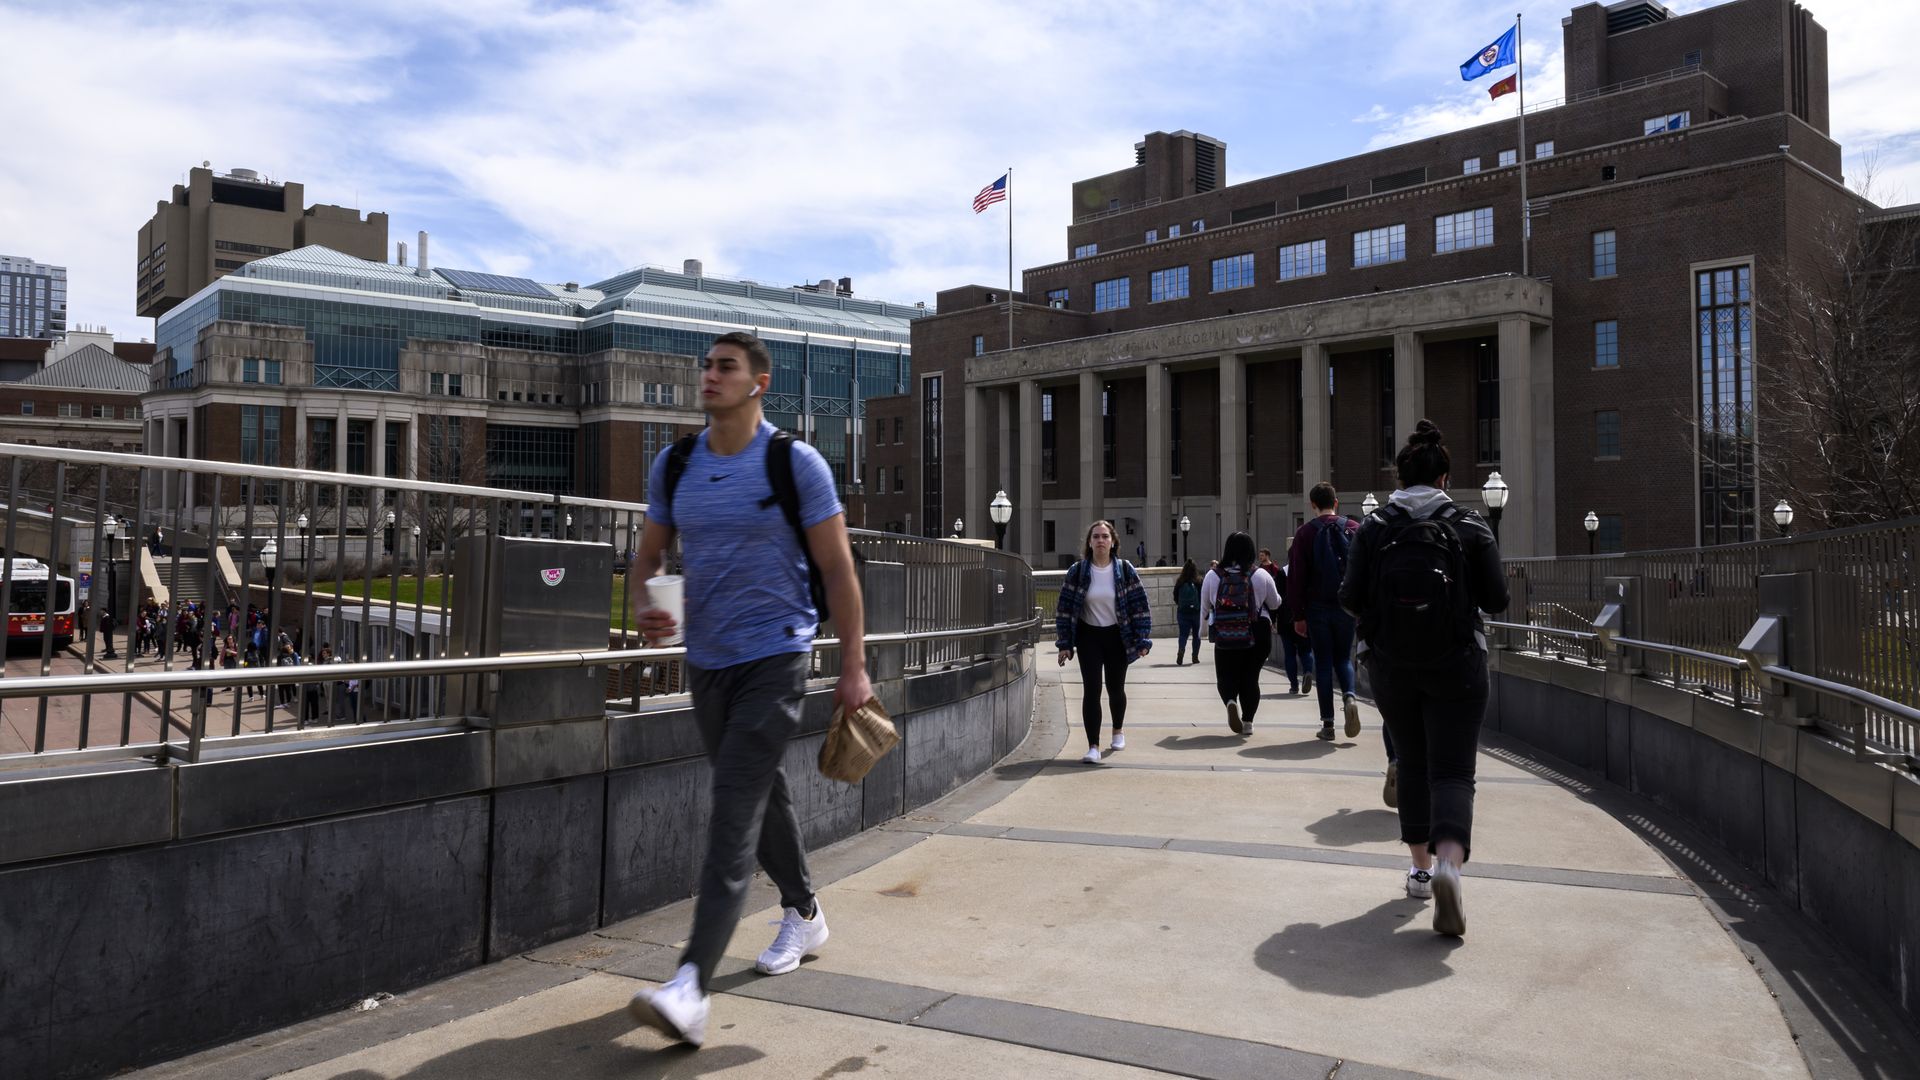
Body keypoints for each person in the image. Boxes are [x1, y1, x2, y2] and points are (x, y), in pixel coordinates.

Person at [626, 331, 869, 1048]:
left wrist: (852, 667)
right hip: (707, 662)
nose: (709, 375)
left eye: (725, 367)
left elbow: (839, 571)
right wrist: (648, 604)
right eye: (705, 364)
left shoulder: (794, 463)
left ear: (758, 382)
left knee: (732, 811)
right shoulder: (676, 465)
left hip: (777, 656)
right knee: (761, 798)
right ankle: (805, 910)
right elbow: (646, 557)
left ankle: (690, 986)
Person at [1341, 420, 1508, 937]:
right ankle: (1450, 866)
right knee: (1454, 772)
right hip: (1457, 662)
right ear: (1444, 478)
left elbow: (1349, 597)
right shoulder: (1470, 523)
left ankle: (1419, 870)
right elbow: (1497, 599)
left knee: (1411, 763)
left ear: (1399, 477)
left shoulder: (1374, 527)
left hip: (1392, 666)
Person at [1053, 520, 1152, 763]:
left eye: (1105, 536)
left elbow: (1139, 605)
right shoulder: (1077, 572)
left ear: (1113, 541)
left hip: (1118, 636)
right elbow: (1064, 609)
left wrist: (1142, 639)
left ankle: (1117, 730)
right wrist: (1065, 643)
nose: (1100, 541)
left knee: (1115, 688)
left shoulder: (1124, 569)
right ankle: (1093, 746)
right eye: (1096, 536)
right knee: (1092, 690)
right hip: (1089, 637)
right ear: (1089, 542)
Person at [1287, 483, 1361, 742]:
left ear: (1312, 505)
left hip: (1317, 608)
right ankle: (1350, 696)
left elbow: (1296, 579)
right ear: (1336, 502)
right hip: (1346, 608)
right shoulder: (1353, 529)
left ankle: (1328, 724)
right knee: (1343, 659)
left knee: (1324, 663)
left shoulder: (1305, 534)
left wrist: (1298, 615)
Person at [1202, 532, 1280, 734]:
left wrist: (1203, 629)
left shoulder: (1213, 575)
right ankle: (1248, 723)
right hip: (1257, 630)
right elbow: (1275, 602)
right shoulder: (1261, 574)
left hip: (1226, 630)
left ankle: (1230, 701)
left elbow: (1205, 607)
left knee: (1225, 675)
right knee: (1251, 678)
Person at [1268, 545, 1314, 696]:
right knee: (1306, 650)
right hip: (1304, 616)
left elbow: (1277, 598)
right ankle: (1307, 671)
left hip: (1286, 618)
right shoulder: (1309, 571)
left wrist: (1273, 619)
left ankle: (1294, 685)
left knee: (1289, 653)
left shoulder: (1282, 572)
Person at [1173, 559, 1202, 666]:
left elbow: (1175, 595)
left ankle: (1181, 650)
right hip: (1196, 612)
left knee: (1183, 634)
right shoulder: (1198, 581)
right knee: (1196, 635)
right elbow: (1202, 596)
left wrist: (1180, 604)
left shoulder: (1180, 581)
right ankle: (1195, 657)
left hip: (1183, 612)